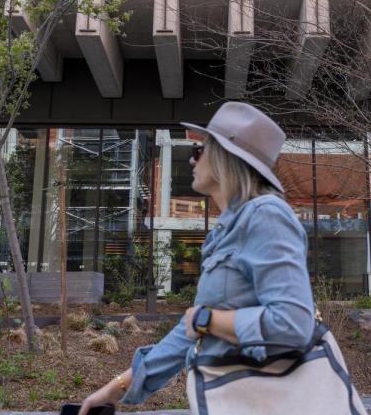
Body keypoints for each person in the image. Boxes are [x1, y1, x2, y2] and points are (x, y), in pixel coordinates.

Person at [78, 102, 315, 415]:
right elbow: (189, 330)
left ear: (223, 158)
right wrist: (119, 387)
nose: (192, 159)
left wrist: (208, 320)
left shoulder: (266, 217)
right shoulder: (229, 228)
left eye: (199, 150)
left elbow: (293, 323)